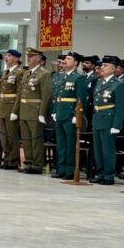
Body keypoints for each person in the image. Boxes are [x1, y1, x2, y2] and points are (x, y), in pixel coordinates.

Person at [11, 47, 52, 174]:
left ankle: (37, 164)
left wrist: (42, 113)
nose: (28, 58)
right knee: (26, 139)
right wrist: (15, 110)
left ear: (39, 59)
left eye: (32, 56)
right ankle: (28, 162)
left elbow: (46, 95)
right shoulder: (26, 73)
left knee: (36, 139)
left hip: (35, 111)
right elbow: (20, 94)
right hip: (24, 110)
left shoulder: (44, 74)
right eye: (28, 56)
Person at [88, 56, 124, 185]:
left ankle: (109, 175)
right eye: (102, 66)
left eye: (105, 66)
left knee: (108, 150)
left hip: (109, 121)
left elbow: (121, 107)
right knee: (98, 150)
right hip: (98, 119)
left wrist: (117, 125)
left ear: (113, 69)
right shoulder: (99, 82)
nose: (102, 68)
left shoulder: (118, 85)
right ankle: (101, 173)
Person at [51, 51, 86, 179]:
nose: (65, 61)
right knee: (61, 144)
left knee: (70, 144)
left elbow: (81, 99)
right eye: (65, 58)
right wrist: (54, 111)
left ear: (76, 63)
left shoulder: (78, 77)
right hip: (60, 113)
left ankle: (70, 170)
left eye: (69, 58)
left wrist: (77, 115)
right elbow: (57, 96)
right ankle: (61, 169)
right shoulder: (61, 76)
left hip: (70, 114)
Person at [0, 50, 24, 169]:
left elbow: (19, 93)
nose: (6, 58)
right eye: (6, 56)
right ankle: (6, 158)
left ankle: (13, 160)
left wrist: (15, 111)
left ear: (16, 59)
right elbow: (1, 92)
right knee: (4, 136)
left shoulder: (20, 72)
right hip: (3, 106)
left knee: (12, 136)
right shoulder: (5, 72)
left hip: (12, 107)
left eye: (9, 56)